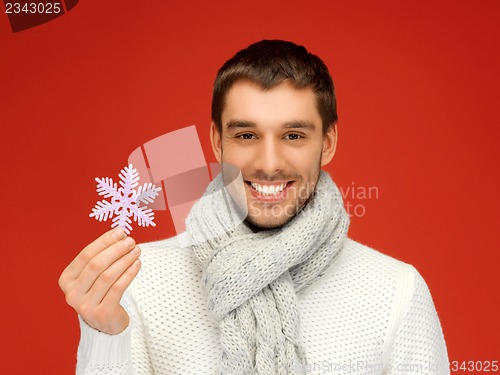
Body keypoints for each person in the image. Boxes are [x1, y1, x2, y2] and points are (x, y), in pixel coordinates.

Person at [59, 40, 450, 374]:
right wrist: (104, 337)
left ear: (328, 142)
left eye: (293, 135)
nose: (268, 163)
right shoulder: (138, 280)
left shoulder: (396, 289)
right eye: (246, 134)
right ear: (217, 142)